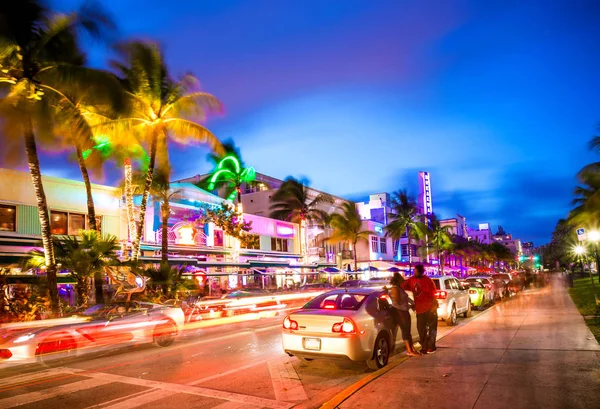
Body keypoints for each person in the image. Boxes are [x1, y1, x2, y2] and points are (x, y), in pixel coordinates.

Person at [402, 264, 438, 354]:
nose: (414, 272)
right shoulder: (412, 280)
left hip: (430, 308)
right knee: (421, 329)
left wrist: (433, 308)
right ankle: (424, 347)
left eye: (415, 270)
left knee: (432, 328)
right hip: (420, 309)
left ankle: (431, 347)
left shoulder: (428, 281)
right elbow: (403, 285)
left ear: (420, 271)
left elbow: (434, 295)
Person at [389, 273, 420, 356]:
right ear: (397, 280)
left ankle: (412, 348)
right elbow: (396, 302)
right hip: (400, 312)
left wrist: (412, 304)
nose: (403, 281)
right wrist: (409, 305)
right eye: (401, 279)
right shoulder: (395, 289)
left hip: (404, 311)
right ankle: (409, 350)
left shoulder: (399, 288)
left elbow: (406, 298)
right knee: (405, 330)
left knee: (407, 330)